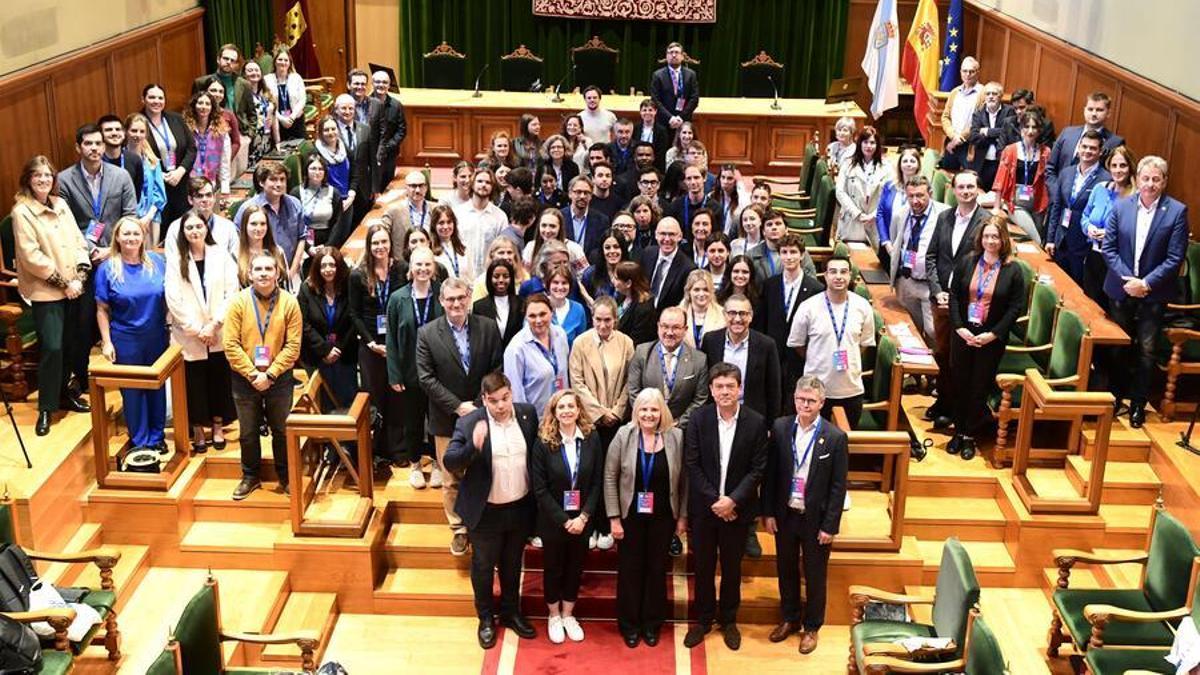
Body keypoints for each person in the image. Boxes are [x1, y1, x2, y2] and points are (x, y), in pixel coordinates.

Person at [442, 372, 540, 648]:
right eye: (494, 400)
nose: (501, 405)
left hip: (519, 507)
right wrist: (473, 446)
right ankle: (485, 619)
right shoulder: (470, 421)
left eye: (505, 398)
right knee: (484, 568)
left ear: (511, 393)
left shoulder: (527, 414)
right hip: (486, 512)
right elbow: (450, 462)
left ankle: (510, 612)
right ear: (484, 399)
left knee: (511, 565)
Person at [682, 363, 767, 651]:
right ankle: (704, 620)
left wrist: (732, 500)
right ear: (711, 390)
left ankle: (729, 620)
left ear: (740, 388)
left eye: (731, 386)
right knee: (704, 568)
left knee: (732, 568)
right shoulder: (698, 419)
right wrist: (716, 502)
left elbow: (757, 469)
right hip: (706, 511)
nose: (725, 391)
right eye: (719, 386)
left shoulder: (756, 422)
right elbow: (692, 465)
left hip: (737, 511)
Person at [417, 278, 504, 555]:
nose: (456, 304)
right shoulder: (427, 333)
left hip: (483, 412)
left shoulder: (488, 327)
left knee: (484, 469)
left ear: (469, 298)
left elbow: (496, 368)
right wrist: (457, 406)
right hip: (446, 417)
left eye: (460, 298)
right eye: (450, 299)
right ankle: (458, 529)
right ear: (441, 301)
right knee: (452, 476)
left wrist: (479, 403)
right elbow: (426, 378)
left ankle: (482, 521)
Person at [762, 376, 848, 655]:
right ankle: (789, 618)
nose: (805, 405)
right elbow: (771, 474)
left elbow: (838, 486)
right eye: (801, 399)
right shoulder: (781, 427)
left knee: (814, 574)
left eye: (811, 401)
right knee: (785, 569)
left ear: (822, 403)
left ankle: (811, 627)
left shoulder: (835, 438)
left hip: (816, 520)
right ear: (794, 399)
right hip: (785, 514)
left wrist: (830, 525)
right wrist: (768, 513)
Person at [1102, 156, 1190, 429]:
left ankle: (1138, 403)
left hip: (1154, 293)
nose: (1150, 184)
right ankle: (1115, 397)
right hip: (1121, 286)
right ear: (1137, 179)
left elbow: (1175, 258)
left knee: (1147, 350)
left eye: (1156, 179)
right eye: (1145, 178)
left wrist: (1146, 284)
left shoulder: (1176, 211)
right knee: (1119, 345)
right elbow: (1109, 248)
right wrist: (1129, 279)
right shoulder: (1121, 206)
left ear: (1164, 181)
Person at [13, 156, 92, 436]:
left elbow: (79, 242)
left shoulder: (61, 204)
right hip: (47, 290)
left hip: (73, 286)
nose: (44, 180)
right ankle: (46, 407)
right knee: (53, 347)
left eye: (48, 176)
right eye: (38, 176)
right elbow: (31, 256)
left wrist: (80, 277)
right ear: (28, 180)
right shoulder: (22, 212)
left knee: (71, 344)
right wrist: (63, 283)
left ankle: (63, 395)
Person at [605, 387, 687, 647]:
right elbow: (610, 477)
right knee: (630, 571)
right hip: (630, 517)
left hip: (663, 517)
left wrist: (682, 517)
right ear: (636, 411)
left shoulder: (676, 436)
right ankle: (629, 625)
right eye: (643, 409)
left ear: (661, 411)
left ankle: (652, 624)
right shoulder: (623, 435)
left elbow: (684, 481)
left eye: (654, 409)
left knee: (656, 570)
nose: (649, 414)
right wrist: (614, 518)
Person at [223, 252, 302, 500]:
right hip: (244, 379)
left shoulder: (290, 303)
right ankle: (250, 476)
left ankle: (286, 476)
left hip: (279, 379)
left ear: (278, 273)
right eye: (259, 269)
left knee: (281, 429)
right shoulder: (237, 302)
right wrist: (252, 374)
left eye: (269, 269)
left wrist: (270, 374)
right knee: (247, 431)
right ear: (250, 274)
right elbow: (230, 345)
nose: (264, 274)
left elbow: (293, 346)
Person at [947, 218, 1027, 459]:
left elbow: (1015, 308)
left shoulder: (1013, 270)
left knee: (978, 386)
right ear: (980, 239)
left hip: (990, 338)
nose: (990, 241)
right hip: (963, 334)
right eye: (986, 236)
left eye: (995, 237)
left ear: (1003, 240)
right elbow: (953, 296)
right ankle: (958, 431)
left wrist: (992, 334)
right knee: (959, 383)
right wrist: (960, 327)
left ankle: (971, 435)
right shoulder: (967, 262)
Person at [529, 389, 603, 643]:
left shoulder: (592, 438)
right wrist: (564, 519)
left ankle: (568, 614)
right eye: (561, 407)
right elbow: (539, 489)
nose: (567, 411)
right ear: (554, 412)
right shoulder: (543, 441)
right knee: (553, 568)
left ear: (579, 409)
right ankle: (553, 616)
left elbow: (597, 482)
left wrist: (583, 517)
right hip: (553, 520)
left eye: (571, 406)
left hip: (582, 519)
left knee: (575, 567)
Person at [165, 209, 239, 452]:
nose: (194, 231)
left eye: (198, 226)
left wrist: (214, 324)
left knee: (218, 380)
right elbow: (173, 298)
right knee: (193, 384)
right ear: (182, 232)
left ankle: (217, 427)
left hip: (217, 331)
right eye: (189, 228)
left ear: (206, 228)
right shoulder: (177, 260)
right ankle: (197, 430)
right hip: (190, 335)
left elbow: (232, 292)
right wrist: (197, 330)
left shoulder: (221, 255)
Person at [925, 171, 989, 429]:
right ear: (952, 190)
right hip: (941, 299)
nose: (965, 191)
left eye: (970, 187)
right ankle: (943, 401)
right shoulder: (944, 217)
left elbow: (988, 264)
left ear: (978, 189)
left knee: (959, 358)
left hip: (968, 302)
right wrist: (937, 289)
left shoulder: (987, 222)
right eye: (960, 187)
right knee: (942, 353)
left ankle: (956, 408)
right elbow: (931, 257)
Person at [788, 256, 876, 426]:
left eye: (843, 272)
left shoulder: (863, 306)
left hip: (851, 389)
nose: (838, 276)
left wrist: (848, 355)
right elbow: (797, 344)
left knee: (844, 444)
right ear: (825, 276)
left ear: (850, 276)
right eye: (833, 271)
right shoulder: (808, 307)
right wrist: (818, 358)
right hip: (815, 390)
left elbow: (864, 344)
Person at [350, 223, 407, 474]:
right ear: (369, 246)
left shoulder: (402, 270)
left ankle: (397, 450)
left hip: (396, 347)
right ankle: (375, 453)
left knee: (397, 398)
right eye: (375, 243)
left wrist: (393, 344)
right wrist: (370, 341)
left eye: (384, 242)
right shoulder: (358, 274)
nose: (380, 247)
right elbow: (354, 313)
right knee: (375, 399)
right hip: (370, 347)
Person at [386, 246, 443, 485]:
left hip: (439, 371)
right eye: (418, 264)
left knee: (438, 419)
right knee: (413, 420)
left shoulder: (442, 293)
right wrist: (394, 374)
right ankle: (415, 464)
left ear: (434, 267)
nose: (423, 269)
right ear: (411, 267)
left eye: (427, 264)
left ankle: (439, 463)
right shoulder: (398, 298)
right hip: (409, 372)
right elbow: (391, 338)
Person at [760, 234, 824, 411]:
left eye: (793, 252)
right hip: (773, 353)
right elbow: (762, 320)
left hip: (799, 357)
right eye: (784, 252)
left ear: (802, 255)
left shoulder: (815, 288)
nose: (789, 257)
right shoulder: (769, 285)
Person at [57, 123, 138, 255]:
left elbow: (130, 216)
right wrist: (92, 250)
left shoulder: (121, 176)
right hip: (81, 252)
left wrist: (112, 249)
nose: (94, 148)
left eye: (98, 143)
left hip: (118, 250)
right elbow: (65, 224)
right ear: (78, 148)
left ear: (104, 146)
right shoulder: (64, 180)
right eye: (88, 143)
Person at [699, 293, 781, 421]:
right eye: (732, 313)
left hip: (753, 419)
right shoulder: (711, 341)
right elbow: (704, 383)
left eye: (743, 313)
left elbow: (774, 390)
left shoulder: (766, 345)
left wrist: (770, 425)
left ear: (751, 316)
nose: (737, 319)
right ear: (724, 315)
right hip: (717, 416)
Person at [627, 306, 710, 432]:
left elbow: (700, 399)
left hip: (682, 430)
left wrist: (678, 424)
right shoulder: (642, 353)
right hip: (646, 427)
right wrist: (649, 418)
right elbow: (633, 391)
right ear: (658, 327)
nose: (669, 333)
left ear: (685, 329)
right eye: (665, 326)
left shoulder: (699, 359)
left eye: (676, 327)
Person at [298, 245, 359, 413]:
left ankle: (349, 440)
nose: (328, 270)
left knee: (348, 402)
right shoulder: (306, 289)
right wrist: (325, 350)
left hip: (345, 354)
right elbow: (304, 324)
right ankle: (326, 440)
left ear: (339, 266)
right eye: (323, 266)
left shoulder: (349, 286)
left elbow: (354, 320)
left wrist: (338, 347)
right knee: (323, 404)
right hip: (317, 355)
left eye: (332, 265)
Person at [888, 176, 949, 343]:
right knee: (912, 331)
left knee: (933, 332)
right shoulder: (901, 214)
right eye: (911, 196)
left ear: (930, 193)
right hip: (906, 283)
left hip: (930, 286)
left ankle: (937, 367)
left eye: (921, 196)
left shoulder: (945, 215)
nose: (915, 201)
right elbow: (896, 241)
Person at [1046, 130, 1110, 286]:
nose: (1087, 151)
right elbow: (1057, 207)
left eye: (1093, 148)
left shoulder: (1106, 180)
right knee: (1057, 286)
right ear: (1079, 147)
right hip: (1061, 242)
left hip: (1084, 246)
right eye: (1085, 146)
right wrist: (1050, 239)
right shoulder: (1066, 173)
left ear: (1100, 152)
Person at [1081, 145, 1137, 308]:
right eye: (1114, 165)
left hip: (1115, 261)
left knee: (1107, 308)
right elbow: (1085, 216)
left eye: (1123, 165)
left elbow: (1133, 231)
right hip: (1093, 254)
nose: (1118, 170)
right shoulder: (1100, 188)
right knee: (1088, 303)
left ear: (1130, 167)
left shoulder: (1135, 197)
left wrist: (1109, 234)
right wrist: (1088, 228)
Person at [141, 84, 196, 234]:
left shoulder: (176, 119)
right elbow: (137, 156)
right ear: (143, 100)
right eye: (151, 97)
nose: (156, 101)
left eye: (160, 98)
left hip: (180, 183)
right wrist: (159, 174)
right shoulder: (138, 124)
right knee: (163, 231)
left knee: (184, 228)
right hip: (158, 187)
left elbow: (191, 148)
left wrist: (181, 170)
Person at [505, 293, 571, 417]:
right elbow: (516, 395)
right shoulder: (516, 348)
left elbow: (564, 374)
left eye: (542, 314)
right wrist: (527, 422)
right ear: (525, 317)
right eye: (532, 316)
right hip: (537, 421)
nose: (538, 320)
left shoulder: (560, 335)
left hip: (563, 416)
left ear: (552, 312)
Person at [991, 111, 1051, 245]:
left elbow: (1047, 182)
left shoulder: (1045, 152)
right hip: (1015, 202)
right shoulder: (1011, 150)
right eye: (1027, 126)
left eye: (1034, 127)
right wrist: (996, 207)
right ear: (1021, 128)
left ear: (1039, 130)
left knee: (1038, 236)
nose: (1030, 131)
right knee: (1036, 239)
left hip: (1037, 204)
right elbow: (1000, 180)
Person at [1047, 91, 1125, 191]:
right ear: (1084, 110)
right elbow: (1050, 167)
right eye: (1090, 109)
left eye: (1099, 110)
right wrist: (1055, 191)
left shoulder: (1115, 143)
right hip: (1057, 196)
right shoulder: (1067, 133)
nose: (1093, 114)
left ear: (1108, 113)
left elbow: (1113, 176)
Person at [234, 161, 305, 270]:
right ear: (261, 182)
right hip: (258, 272)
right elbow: (239, 241)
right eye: (273, 179)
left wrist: (292, 272)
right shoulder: (247, 208)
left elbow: (301, 238)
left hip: (289, 270)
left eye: (282, 179)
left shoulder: (295, 204)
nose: (279, 184)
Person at [834, 126, 891, 249]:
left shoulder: (886, 167)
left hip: (874, 221)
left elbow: (889, 195)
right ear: (860, 144)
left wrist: (874, 215)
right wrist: (857, 214)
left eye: (872, 143)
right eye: (865, 142)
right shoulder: (848, 164)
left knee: (873, 263)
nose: (869, 146)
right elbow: (840, 192)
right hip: (852, 220)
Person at [164, 177, 238, 265]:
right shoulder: (175, 228)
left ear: (214, 198)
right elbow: (172, 262)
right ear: (190, 200)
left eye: (209, 195)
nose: (205, 200)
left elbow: (235, 260)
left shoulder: (228, 227)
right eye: (199, 196)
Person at [454, 167, 509, 275]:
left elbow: (502, 248)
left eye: (488, 182)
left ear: (492, 187)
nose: (483, 185)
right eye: (479, 181)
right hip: (462, 274)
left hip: (488, 276)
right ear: (472, 184)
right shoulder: (458, 213)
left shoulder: (500, 216)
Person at [332, 95, 377, 225]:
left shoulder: (365, 129)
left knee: (362, 224)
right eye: (343, 108)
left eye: (350, 108)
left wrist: (375, 188)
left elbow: (372, 161)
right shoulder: (331, 131)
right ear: (336, 109)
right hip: (342, 187)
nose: (347, 112)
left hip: (363, 188)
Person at [311, 116, 358, 240]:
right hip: (327, 204)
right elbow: (314, 181)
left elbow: (354, 174)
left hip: (347, 202)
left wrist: (351, 195)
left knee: (344, 238)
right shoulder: (315, 152)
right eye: (326, 130)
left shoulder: (345, 149)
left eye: (333, 128)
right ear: (320, 133)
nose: (331, 133)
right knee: (332, 240)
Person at [193, 43, 255, 136]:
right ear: (218, 59)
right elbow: (193, 110)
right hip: (211, 134)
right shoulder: (201, 83)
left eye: (232, 60)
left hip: (239, 134)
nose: (229, 62)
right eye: (226, 58)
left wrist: (249, 135)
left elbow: (252, 114)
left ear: (236, 64)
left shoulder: (245, 84)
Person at [122, 113, 168, 236]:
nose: (137, 135)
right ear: (126, 131)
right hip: (128, 220)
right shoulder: (120, 160)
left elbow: (159, 193)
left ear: (146, 134)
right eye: (134, 131)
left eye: (142, 131)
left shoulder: (152, 160)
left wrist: (147, 218)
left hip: (151, 218)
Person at [876, 146, 922, 271]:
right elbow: (880, 213)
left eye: (912, 161)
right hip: (887, 245)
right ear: (900, 164)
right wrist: (885, 241)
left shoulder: (923, 189)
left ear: (918, 165)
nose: (908, 164)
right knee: (883, 284)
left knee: (907, 278)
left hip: (911, 248)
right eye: (905, 161)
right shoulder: (889, 186)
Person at [967, 81, 1017, 190]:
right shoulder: (978, 114)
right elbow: (974, 137)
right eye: (988, 94)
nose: (990, 97)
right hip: (982, 162)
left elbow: (1009, 133)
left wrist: (987, 132)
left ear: (1001, 96)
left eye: (994, 94)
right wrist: (996, 135)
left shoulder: (1009, 112)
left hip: (1001, 161)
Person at [641, 217, 696, 317]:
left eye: (671, 234)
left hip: (668, 322)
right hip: (642, 318)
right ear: (656, 235)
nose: (667, 239)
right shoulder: (647, 254)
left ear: (680, 237)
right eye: (663, 234)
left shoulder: (688, 268)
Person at [938, 56, 982, 172]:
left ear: (977, 73)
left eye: (971, 71)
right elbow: (945, 117)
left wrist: (960, 138)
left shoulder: (983, 94)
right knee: (948, 174)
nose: (968, 74)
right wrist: (953, 136)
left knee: (969, 177)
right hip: (951, 141)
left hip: (969, 145)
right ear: (960, 72)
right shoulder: (954, 92)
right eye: (965, 71)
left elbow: (980, 121)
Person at [184, 89, 232, 195]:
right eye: (200, 103)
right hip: (188, 183)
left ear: (212, 108)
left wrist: (225, 186)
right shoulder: (185, 128)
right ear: (194, 106)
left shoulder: (221, 131)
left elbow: (225, 161)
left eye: (207, 104)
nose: (203, 107)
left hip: (210, 183)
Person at [294, 153, 346, 249]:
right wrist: (308, 248)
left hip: (327, 241)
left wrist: (328, 246)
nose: (317, 172)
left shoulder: (334, 193)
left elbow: (338, 223)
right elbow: (293, 224)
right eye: (313, 168)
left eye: (320, 169)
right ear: (306, 170)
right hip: (302, 243)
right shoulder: (296, 192)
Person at [235, 205, 291, 290]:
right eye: (253, 224)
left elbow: (287, 288)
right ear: (245, 226)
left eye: (263, 224)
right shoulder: (235, 255)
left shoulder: (278, 251)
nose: (258, 228)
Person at [474, 258, 525, 348]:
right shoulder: (479, 307)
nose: (501, 280)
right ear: (489, 278)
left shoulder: (521, 304)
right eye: (496, 276)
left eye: (505, 276)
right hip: (490, 358)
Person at [201, 76, 244, 178]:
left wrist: (224, 160)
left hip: (222, 166)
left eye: (221, 91)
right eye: (213, 90)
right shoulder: (198, 114)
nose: (217, 94)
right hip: (200, 165)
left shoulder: (228, 115)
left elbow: (236, 142)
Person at [372, 69, 407, 192]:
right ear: (372, 83)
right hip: (371, 153)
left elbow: (402, 130)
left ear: (389, 84)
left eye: (384, 82)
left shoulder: (396, 105)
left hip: (389, 154)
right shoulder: (366, 103)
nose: (381, 85)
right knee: (372, 186)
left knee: (387, 186)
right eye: (377, 82)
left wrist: (387, 147)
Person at [650, 42, 699, 131]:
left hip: (684, 123)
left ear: (682, 56)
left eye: (676, 52)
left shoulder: (691, 75)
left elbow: (694, 98)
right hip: (664, 122)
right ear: (666, 56)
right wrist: (670, 118)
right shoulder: (658, 75)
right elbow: (655, 100)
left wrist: (680, 117)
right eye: (670, 52)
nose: (673, 55)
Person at [239, 61, 280, 165]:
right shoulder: (241, 95)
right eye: (250, 70)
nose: (254, 73)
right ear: (244, 74)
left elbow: (274, 119)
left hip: (267, 140)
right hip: (252, 141)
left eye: (257, 70)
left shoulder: (267, 94)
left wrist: (277, 142)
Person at [97, 115, 145, 203]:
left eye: (118, 129)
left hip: (129, 213)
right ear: (100, 135)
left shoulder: (135, 160)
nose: (114, 133)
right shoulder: (96, 162)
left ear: (123, 133)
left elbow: (136, 196)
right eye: (108, 130)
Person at [262, 46, 306, 142]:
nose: (283, 62)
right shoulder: (267, 79)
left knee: (299, 148)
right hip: (277, 122)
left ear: (289, 63)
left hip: (296, 120)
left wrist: (292, 117)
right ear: (275, 62)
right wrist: (281, 119)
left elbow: (302, 100)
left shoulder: (296, 77)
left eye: (286, 60)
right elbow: (266, 103)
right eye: (280, 59)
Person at [562, 175, 609, 257]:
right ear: (570, 194)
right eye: (578, 192)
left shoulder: (602, 220)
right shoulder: (560, 217)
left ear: (591, 196)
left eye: (586, 193)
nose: (582, 196)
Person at [613, 261, 657, 346]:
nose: (613, 281)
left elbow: (636, 341)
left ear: (628, 283)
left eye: (617, 279)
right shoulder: (621, 296)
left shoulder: (644, 309)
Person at [429, 203, 475, 284]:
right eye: (441, 223)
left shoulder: (464, 248)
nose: (446, 227)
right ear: (434, 225)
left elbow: (471, 278)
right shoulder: (430, 251)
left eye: (449, 222)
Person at [543, 265, 589, 343]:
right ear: (548, 284)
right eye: (556, 282)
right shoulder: (538, 306)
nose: (560, 287)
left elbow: (582, 343)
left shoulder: (578, 309)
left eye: (564, 283)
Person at [680, 269, 724, 348]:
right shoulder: (678, 314)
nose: (701, 294)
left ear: (711, 291)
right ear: (689, 291)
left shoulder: (723, 315)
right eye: (696, 290)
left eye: (706, 290)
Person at [581, 228, 628, 303]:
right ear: (602, 250)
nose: (612, 251)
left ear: (623, 249)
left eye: (616, 247)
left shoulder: (631, 272)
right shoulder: (590, 273)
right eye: (607, 248)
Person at [667, 164, 712, 243]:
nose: (693, 182)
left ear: (704, 178)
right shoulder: (675, 206)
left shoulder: (715, 207)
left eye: (696, 177)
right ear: (684, 181)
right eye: (689, 178)